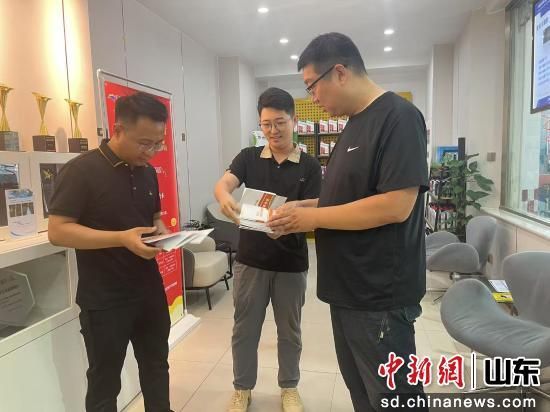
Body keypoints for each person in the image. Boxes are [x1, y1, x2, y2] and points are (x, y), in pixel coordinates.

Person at [268, 33, 429, 412]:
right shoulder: (352, 125)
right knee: (363, 395)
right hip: (347, 292)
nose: (312, 98)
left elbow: (395, 205)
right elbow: (350, 198)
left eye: (312, 86)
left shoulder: (399, 118)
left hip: (379, 297)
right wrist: (304, 207)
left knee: (393, 399)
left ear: (339, 72)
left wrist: (312, 217)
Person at [48, 92, 174, 412]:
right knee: (105, 381)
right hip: (105, 298)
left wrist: (161, 231)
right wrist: (121, 238)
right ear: (118, 130)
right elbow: (58, 231)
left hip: (148, 289)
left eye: (158, 144)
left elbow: (154, 218)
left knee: (157, 365)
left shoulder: (146, 171)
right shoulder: (80, 171)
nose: (152, 152)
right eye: (144, 143)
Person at [214, 87, 322, 412]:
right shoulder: (248, 157)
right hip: (250, 262)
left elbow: (317, 209)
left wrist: (291, 221)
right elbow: (224, 183)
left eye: (280, 123)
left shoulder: (309, 165)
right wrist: (224, 197)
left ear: (294, 120)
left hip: (291, 263)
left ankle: (289, 387)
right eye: (266, 124)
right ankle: (242, 388)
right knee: (244, 330)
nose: (273, 131)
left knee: (290, 332)